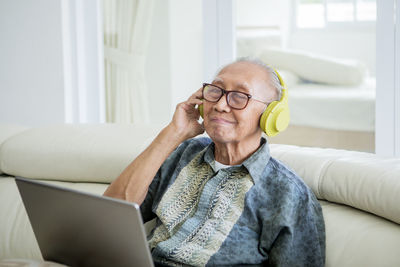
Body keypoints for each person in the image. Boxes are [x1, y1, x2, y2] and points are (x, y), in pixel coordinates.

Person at [104, 58, 325, 266]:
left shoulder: (288, 194)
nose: (220, 105)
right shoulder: (184, 154)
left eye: (239, 96)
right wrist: (174, 133)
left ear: (271, 114)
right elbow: (111, 216)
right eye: (215, 91)